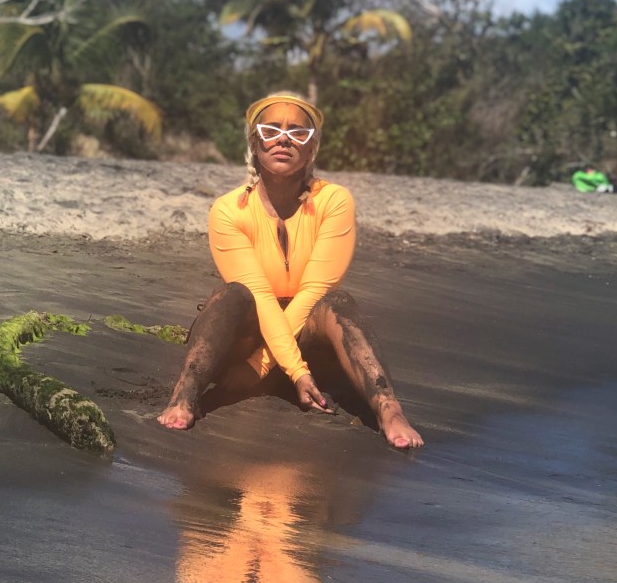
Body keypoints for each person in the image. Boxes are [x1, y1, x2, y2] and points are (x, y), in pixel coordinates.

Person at [157, 92, 424, 449]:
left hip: (306, 345)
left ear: (312, 148)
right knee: (232, 295)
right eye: (271, 130)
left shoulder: (334, 201)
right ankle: (184, 396)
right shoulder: (228, 210)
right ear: (255, 142)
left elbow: (315, 290)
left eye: (298, 132)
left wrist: (260, 367)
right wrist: (282, 368)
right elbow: (260, 295)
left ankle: (389, 408)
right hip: (250, 335)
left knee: (338, 301)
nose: (283, 139)